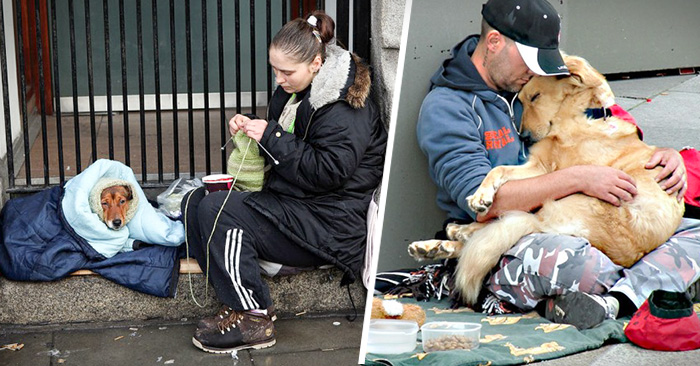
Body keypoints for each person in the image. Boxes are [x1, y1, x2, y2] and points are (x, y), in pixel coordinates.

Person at [417, 0, 700, 330]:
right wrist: (579, 178)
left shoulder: (528, 80)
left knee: (692, 228)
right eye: (530, 60)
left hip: (585, 219)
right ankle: (650, 284)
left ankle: (612, 300)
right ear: (494, 42)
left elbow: (603, 125)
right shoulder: (447, 108)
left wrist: (664, 157)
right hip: (507, 237)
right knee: (580, 265)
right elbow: (484, 205)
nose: (535, 72)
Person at [181, 10, 387, 353]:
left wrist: (272, 135)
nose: (279, 78)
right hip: (298, 206)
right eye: (274, 68)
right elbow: (289, 148)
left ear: (317, 63)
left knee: (219, 209)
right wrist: (253, 132)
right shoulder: (299, 88)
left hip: (329, 224)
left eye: (286, 71)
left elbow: (328, 172)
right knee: (195, 201)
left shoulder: (341, 107)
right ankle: (234, 300)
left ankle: (254, 317)